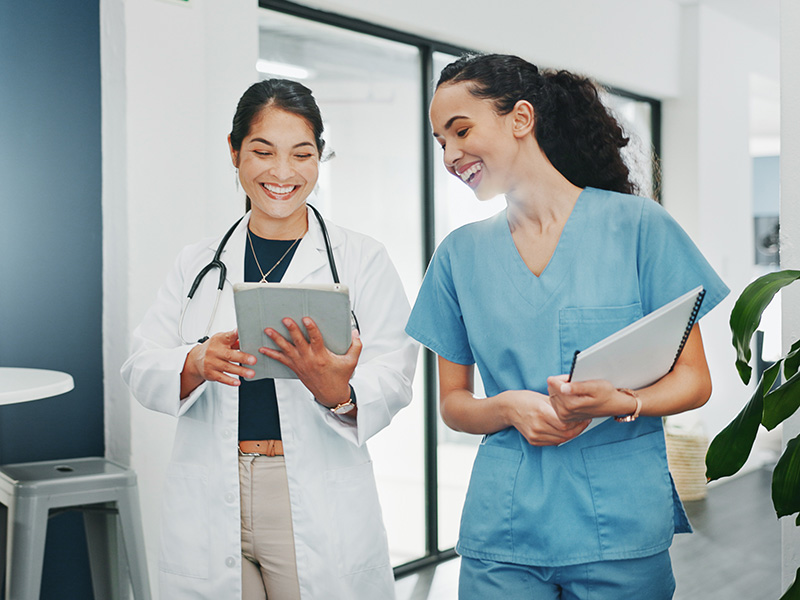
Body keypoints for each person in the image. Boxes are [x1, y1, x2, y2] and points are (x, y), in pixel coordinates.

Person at [405, 53, 730, 599]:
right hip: (503, 536)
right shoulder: (459, 256)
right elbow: (454, 405)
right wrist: (507, 407)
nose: (451, 155)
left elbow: (695, 381)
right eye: (441, 142)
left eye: (461, 131)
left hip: (620, 530)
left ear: (521, 119)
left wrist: (622, 401)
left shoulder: (638, 228)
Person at [121, 79, 417, 600]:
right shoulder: (198, 261)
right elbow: (141, 365)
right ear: (234, 152)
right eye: (263, 152)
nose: (283, 173)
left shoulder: (362, 259)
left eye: (302, 154)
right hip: (214, 488)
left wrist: (337, 390)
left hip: (310, 490)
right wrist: (194, 362)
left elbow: (395, 372)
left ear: (319, 159)